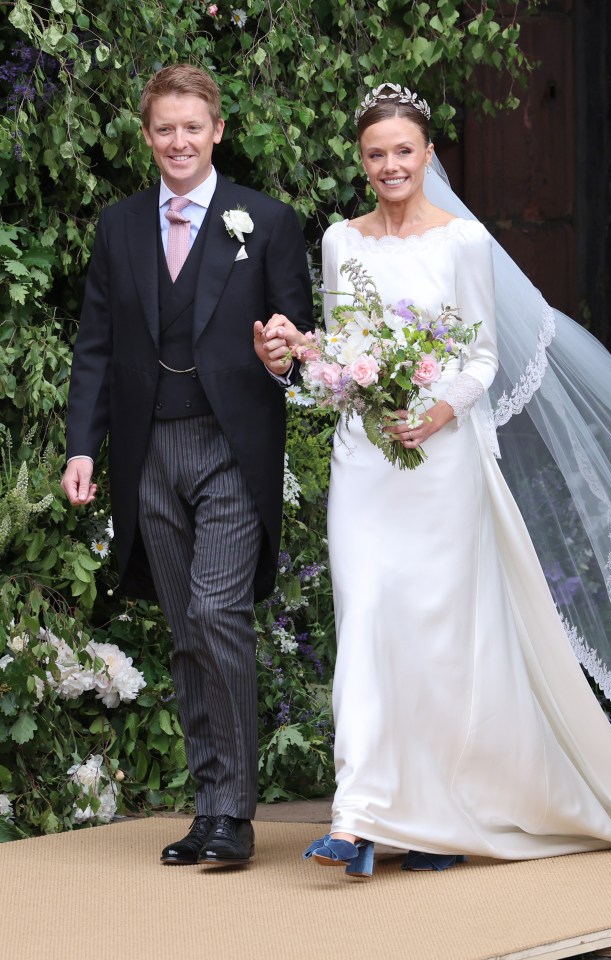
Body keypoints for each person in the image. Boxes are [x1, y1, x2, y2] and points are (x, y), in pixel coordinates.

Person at [259, 83, 611, 880]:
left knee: (436, 638)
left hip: (440, 460)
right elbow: (339, 372)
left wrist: (436, 413)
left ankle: (439, 818)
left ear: (429, 155)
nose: (390, 165)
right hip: (366, 465)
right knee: (366, 621)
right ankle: (359, 817)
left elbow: (482, 357)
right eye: (376, 153)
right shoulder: (339, 242)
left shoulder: (463, 241)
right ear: (362, 162)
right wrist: (293, 361)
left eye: (404, 151)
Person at [61, 64, 313, 867]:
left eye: (192, 127)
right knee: (183, 630)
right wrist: (81, 446)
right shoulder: (118, 225)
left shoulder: (266, 222)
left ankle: (236, 814)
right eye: (165, 128)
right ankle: (209, 805)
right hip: (148, 455)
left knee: (216, 614)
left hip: (231, 449)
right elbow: (95, 347)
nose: (179, 141)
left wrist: (281, 355)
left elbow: (298, 352)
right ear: (148, 135)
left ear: (218, 131)